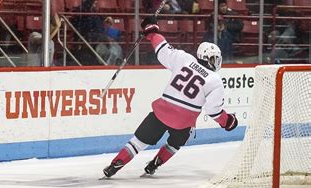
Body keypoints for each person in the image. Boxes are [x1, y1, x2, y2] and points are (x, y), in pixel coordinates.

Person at [102, 16, 238, 178]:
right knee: (176, 143)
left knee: (138, 142)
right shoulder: (214, 80)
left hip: (162, 112)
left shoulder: (184, 59)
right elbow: (213, 111)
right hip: (184, 122)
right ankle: (155, 164)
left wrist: (152, 31)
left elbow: (162, 49)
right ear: (209, 58)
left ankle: (115, 165)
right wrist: (228, 121)